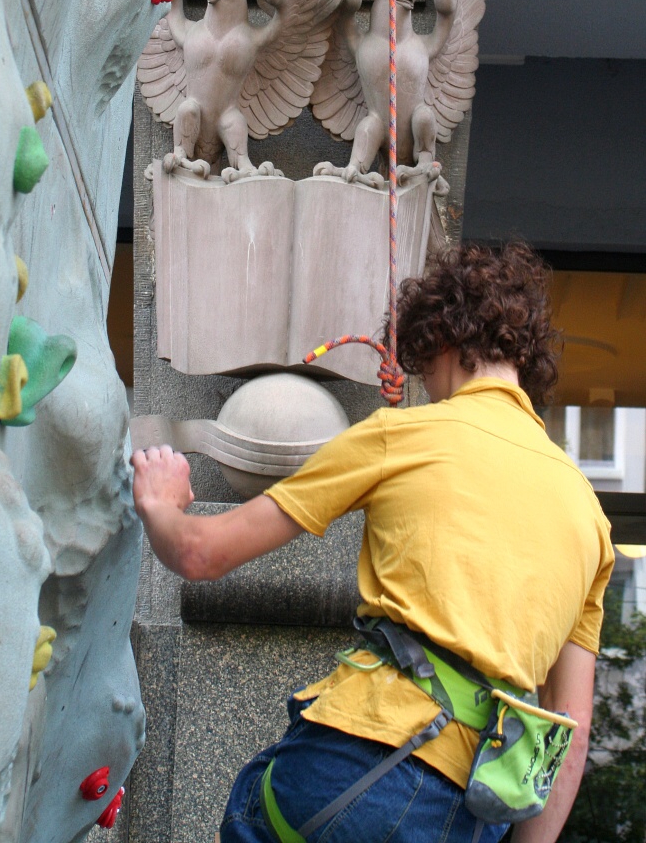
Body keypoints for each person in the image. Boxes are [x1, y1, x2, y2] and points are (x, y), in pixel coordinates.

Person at [132, 242, 615, 843]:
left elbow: (199, 553)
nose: (427, 390)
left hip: (357, 771)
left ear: (442, 337)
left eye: (424, 372)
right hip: (472, 816)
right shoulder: (590, 517)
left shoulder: (403, 435)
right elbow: (567, 729)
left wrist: (162, 500)